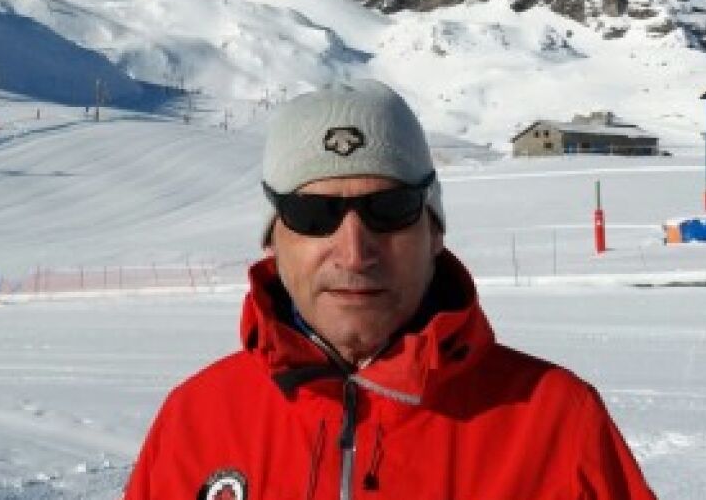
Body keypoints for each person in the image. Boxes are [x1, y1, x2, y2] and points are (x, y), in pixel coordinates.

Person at [122, 81, 656, 500]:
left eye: (389, 210)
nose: (354, 252)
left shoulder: (555, 426)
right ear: (273, 241)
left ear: (435, 232)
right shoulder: (195, 422)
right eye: (314, 215)